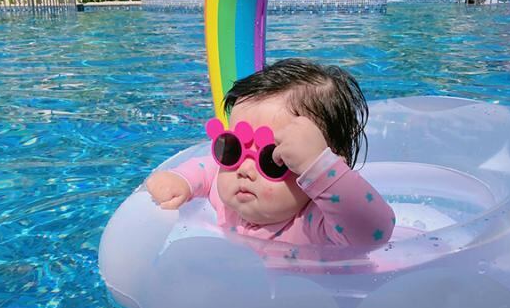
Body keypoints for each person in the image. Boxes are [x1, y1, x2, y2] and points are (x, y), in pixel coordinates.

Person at [146, 59, 396, 255]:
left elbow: (374, 233)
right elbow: (208, 168)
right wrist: (181, 180)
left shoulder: (318, 224)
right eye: (232, 150)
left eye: (270, 160)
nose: (243, 169)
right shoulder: (230, 198)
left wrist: (320, 168)